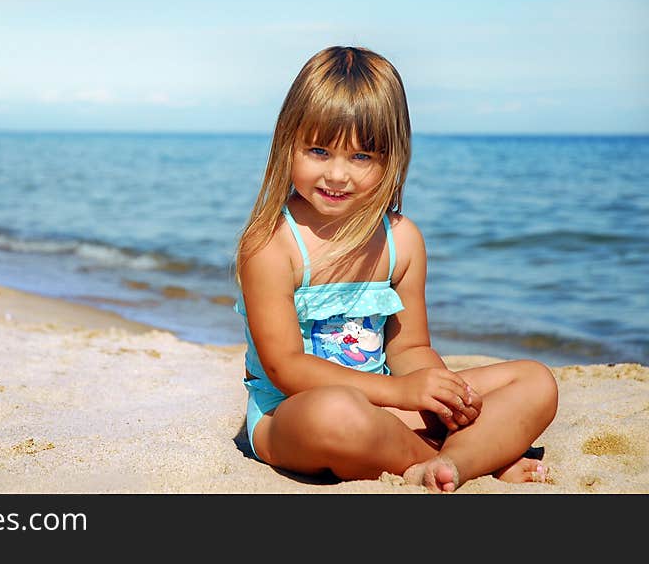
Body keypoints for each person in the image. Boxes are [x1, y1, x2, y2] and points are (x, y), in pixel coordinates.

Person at [234, 45, 558, 492]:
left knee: (534, 381)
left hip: (385, 404)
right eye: (318, 151)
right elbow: (286, 368)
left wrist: (439, 398)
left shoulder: (401, 239)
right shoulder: (270, 244)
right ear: (288, 141)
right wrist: (402, 394)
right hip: (289, 414)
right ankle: (467, 461)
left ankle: (454, 459)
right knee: (336, 414)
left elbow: (409, 349)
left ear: (392, 157)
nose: (337, 175)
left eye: (361, 157)